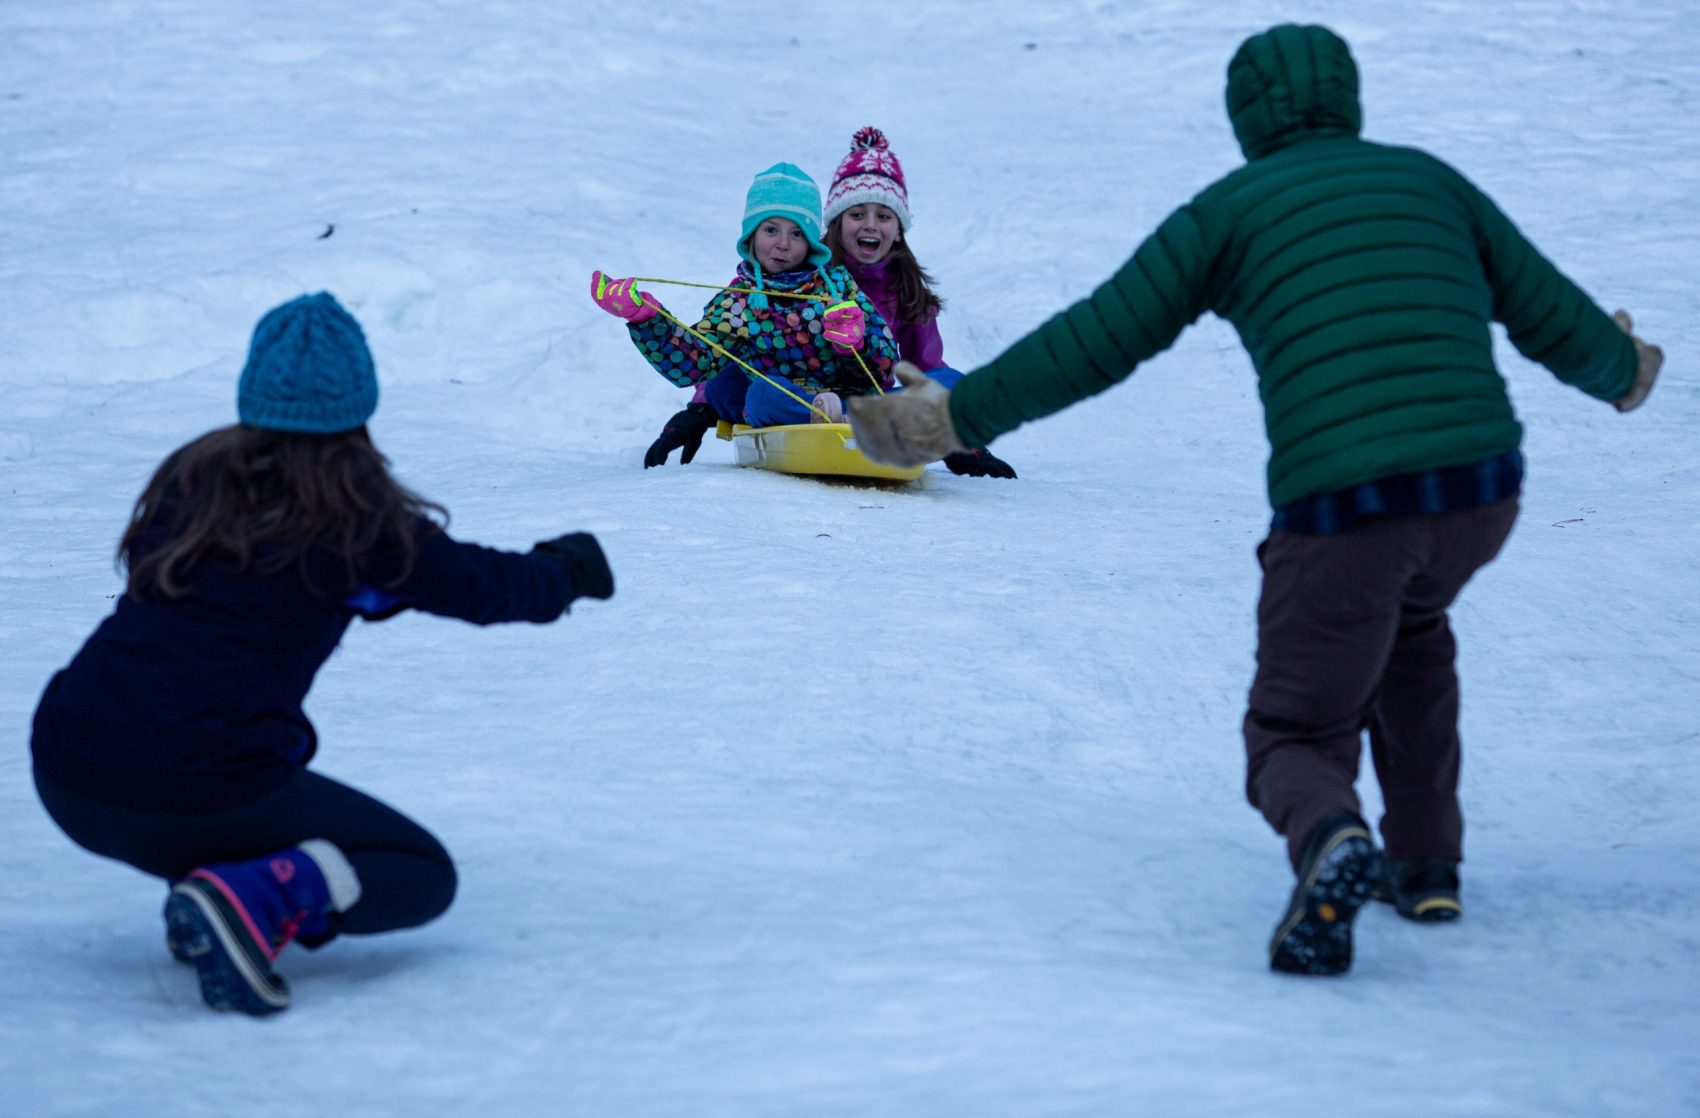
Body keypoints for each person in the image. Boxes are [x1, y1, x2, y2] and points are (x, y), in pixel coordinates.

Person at [848, 24, 1664, 976]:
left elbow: (1097, 338)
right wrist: (1623, 370)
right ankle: (1427, 859)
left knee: (1296, 725)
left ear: (1245, 116)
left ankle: (1331, 836)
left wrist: (947, 419)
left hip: (1346, 505)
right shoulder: (1430, 181)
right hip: (1482, 490)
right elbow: (1551, 311)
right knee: (1411, 623)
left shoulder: (1229, 212)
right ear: (1348, 99)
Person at [30, 293, 616, 1016]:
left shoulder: (192, 483)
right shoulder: (357, 532)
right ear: (357, 408)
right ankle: (247, 898)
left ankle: (218, 894)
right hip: (194, 784)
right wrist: (563, 573)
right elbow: (475, 585)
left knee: (228, 771)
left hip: (67, 771)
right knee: (417, 873)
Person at [598, 162, 900, 464]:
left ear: (809, 242)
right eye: (771, 230)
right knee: (761, 394)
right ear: (751, 236)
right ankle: (833, 418)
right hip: (786, 409)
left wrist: (861, 343)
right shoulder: (737, 303)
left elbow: (886, 368)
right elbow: (695, 361)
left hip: (851, 398)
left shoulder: (837, 288)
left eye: (796, 233)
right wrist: (646, 318)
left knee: (921, 394)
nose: (783, 244)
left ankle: (879, 421)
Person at [821, 126, 1016, 480]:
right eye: (857, 214)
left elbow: (925, 370)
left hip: (873, 403)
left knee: (952, 383)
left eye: (884, 216)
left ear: (899, 229)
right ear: (836, 221)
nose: (871, 225)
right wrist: (702, 406)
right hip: (810, 398)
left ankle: (863, 419)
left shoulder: (905, 289)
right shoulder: (810, 275)